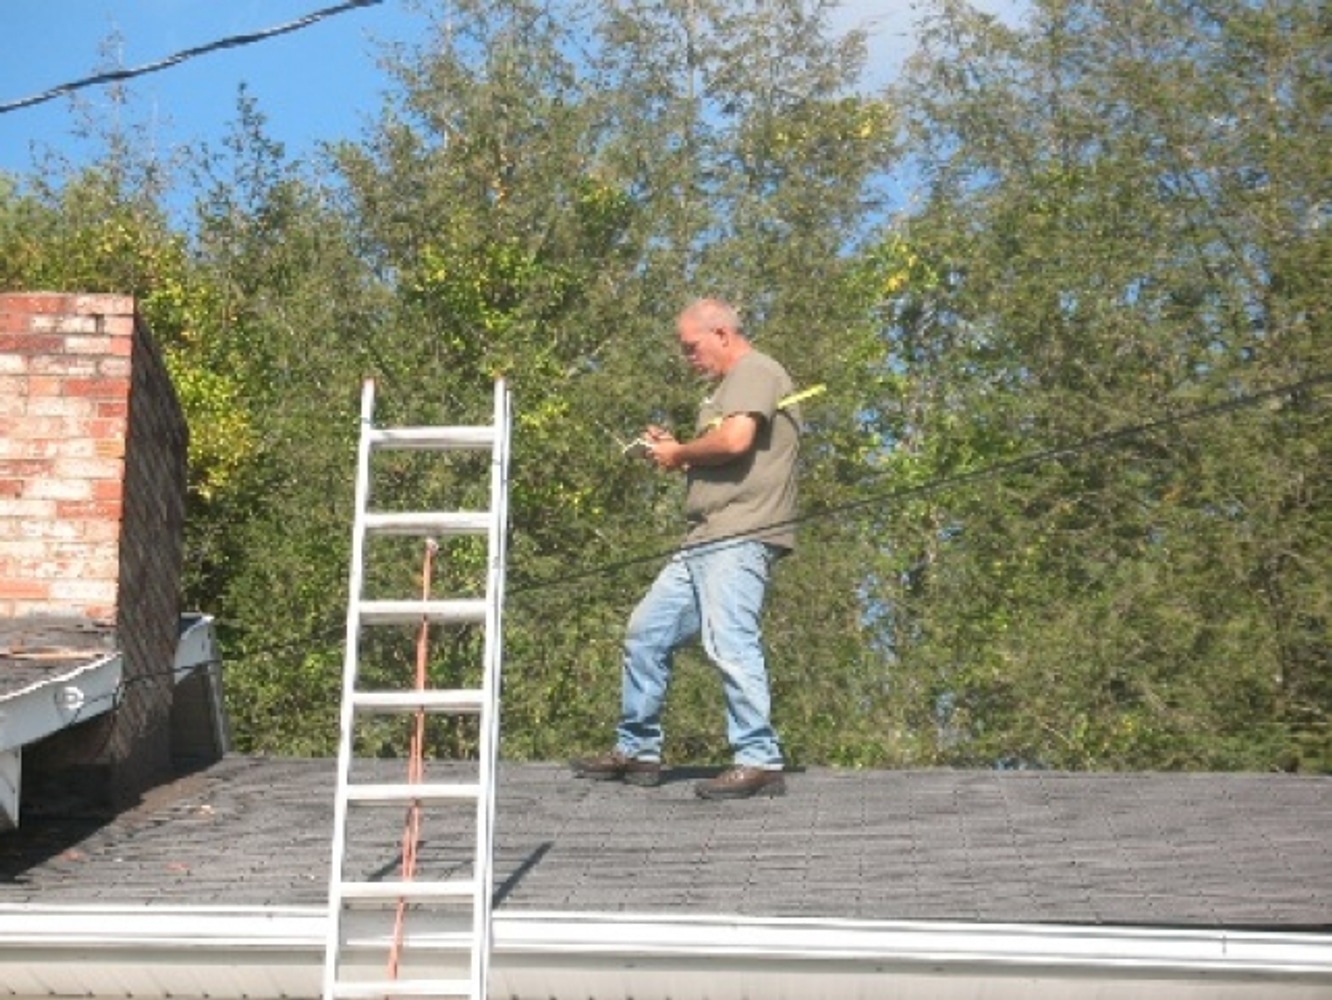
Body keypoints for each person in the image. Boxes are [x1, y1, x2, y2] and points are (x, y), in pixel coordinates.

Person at [572, 298, 801, 799]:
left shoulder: (754, 370)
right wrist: (678, 451)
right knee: (646, 633)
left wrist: (677, 453)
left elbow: (736, 441)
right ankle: (638, 751)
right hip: (704, 537)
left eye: (691, 347)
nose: (688, 358)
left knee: (730, 642)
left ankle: (759, 759)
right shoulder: (725, 389)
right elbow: (720, 449)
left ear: (721, 333)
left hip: (739, 535)